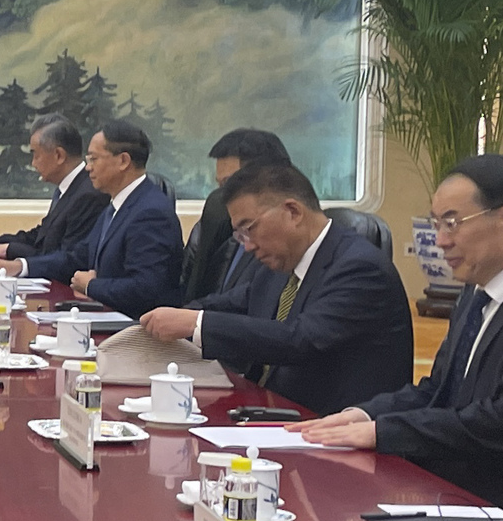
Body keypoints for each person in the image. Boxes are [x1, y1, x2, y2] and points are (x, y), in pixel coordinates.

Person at [296, 153, 503, 505]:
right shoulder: (476, 292)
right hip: (464, 482)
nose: (441, 241)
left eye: (452, 223)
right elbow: (439, 391)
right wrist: (362, 415)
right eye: (436, 225)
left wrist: (381, 432)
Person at [137, 161, 410, 415]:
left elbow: (300, 340)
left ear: (292, 212)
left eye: (249, 229)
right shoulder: (281, 263)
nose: (247, 246)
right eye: (239, 235)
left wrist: (196, 323)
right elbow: (231, 303)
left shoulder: (360, 268)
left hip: (332, 429)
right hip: (270, 412)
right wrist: (162, 320)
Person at [24, 118, 183, 311]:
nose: (88, 167)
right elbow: (78, 257)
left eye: (93, 159)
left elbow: (145, 288)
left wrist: (91, 286)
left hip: (133, 330)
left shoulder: (151, 212)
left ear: (123, 161)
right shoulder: (116, 206)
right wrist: (22, 266)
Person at [0, 118, 103, 268]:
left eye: (36, 155)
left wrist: (11, 252)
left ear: (59, 155)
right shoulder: (68, 188)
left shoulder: (88, 195)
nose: (33, 163)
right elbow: (39, 237)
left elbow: (65, 258)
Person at [180, 128, 289, 301]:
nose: (224, 196)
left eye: (230, 183)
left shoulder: (282, 248)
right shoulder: (233, 239)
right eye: (221, 186)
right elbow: (229, 301)